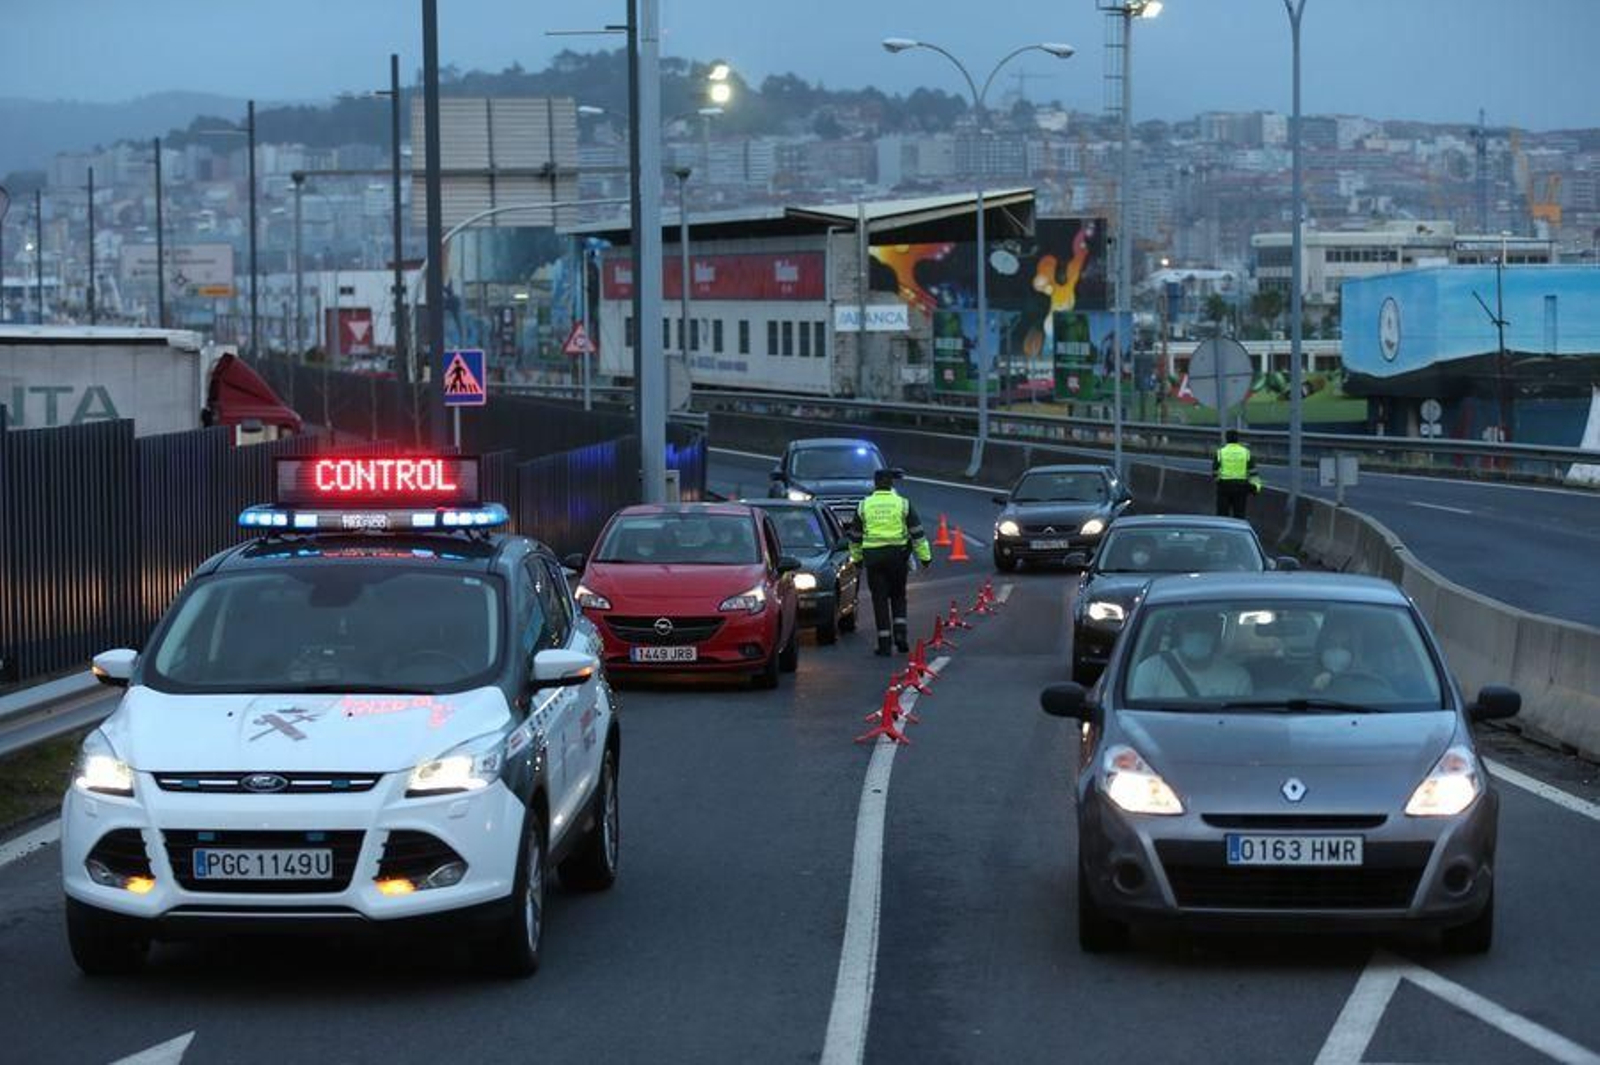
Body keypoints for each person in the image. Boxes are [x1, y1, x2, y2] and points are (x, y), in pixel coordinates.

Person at [848, 469, 933, 656]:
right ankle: (901, 635)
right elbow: (917, 533)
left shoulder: (864, 506)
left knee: (879, 599)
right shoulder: (903, 504)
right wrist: (925, 558)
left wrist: (857, 560)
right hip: (897, 558)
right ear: (891, 484)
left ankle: (884, 643)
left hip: (873, 559)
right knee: (898, 596)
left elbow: (854, 537)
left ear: (875, 484)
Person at [1128, 611, 1252, 699]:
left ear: (1216, 632)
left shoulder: (1237, 678)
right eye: (1192, 627)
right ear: (1178, 632)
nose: (1199, 634)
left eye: (1205, 628)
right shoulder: (1149, 670)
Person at [1213, 428, 1261, 519]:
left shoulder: (1220, 452)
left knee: (1222, 515)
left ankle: (1222, 532)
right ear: (1237, 439)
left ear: (1226, 439)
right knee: (1239, 515)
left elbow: (1214, 473)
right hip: (1241, 487)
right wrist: (1256, 488)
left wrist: (1219, 482)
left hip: (1224, 487)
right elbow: (1253, 473)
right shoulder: (1246, 452)